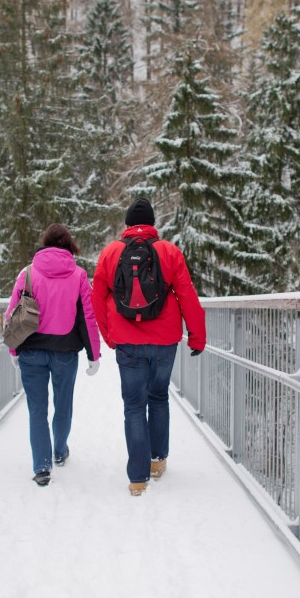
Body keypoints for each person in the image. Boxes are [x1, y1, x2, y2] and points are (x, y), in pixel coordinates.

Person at [92, 197, 206, 496]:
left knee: (133, 406)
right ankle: (157, 461)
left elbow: (96, 299)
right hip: (165, 339)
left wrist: (109, 336)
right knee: (158, 398)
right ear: (153, 225)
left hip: (127, 340)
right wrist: (197, 336)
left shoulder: (111, 252)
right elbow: (187, 296)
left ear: (127, 224)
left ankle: (137, 478)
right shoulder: (169, 251)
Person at [5, 224, 102, 487]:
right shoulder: (79, 275)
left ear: (44, 244)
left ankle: (41, 467)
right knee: (63, 404)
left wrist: (13, 349)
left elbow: (12, 312)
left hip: (31, 351)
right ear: (69, 246)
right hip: (65, 352)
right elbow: (88, 317)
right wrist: (94, 354)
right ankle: (59, 450)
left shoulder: (27, 273)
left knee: (37, 410)